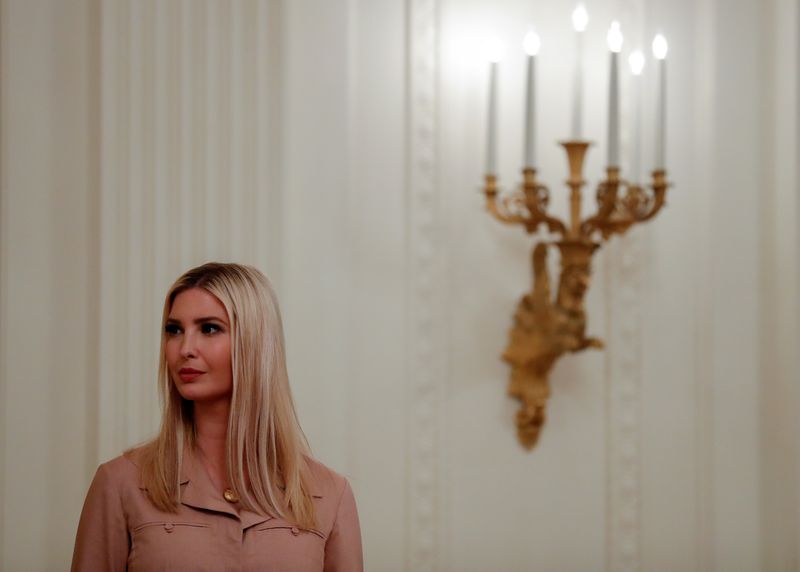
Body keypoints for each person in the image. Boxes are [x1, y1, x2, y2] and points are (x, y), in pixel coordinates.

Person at [71, 262, 363, 571]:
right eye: (174, 330)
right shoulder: (120, 484)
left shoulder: (329, 494)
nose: (185, 348)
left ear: (254, 342)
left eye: (209, 328)